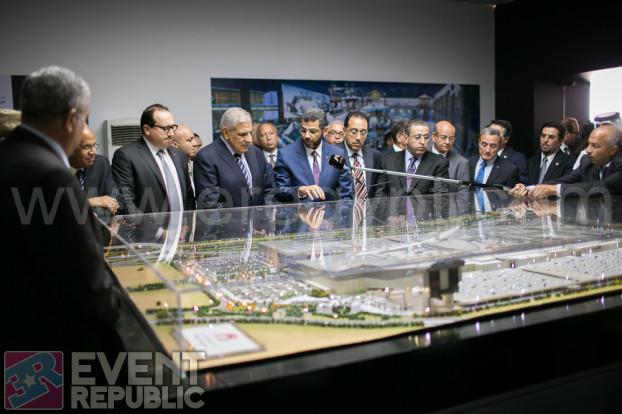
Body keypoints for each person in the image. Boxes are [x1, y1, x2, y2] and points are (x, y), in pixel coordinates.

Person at [0, 66, 121, 352]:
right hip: (54, 343)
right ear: (71, 119)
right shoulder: (52, 175)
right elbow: (87, 285)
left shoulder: (9, 154)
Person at [111, 103, 195, 214]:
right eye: (166, 128)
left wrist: (187, 221)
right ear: (147, 129)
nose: (171, 133)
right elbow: (125, 201)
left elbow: (188, 195)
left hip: (182, 224)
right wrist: (151, 226)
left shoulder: (179, 155)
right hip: (146, 224)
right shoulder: (126, 156)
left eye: (172, 127)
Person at [511, 124, 622, 198]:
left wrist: (553, 190)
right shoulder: (587, 161)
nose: (587, 150)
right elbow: (567, 180)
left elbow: (601, 187)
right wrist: (530, 188)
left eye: (595, 146)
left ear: (613, 150)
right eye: (588, 144)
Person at [193, 107, 274, 208]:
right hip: (228, 219)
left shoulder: (255, 152)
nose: (249, 139)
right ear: (226, 133)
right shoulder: (207, 158)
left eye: (250, 133)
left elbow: (269, 190)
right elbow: (210, 206)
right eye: (243, 134)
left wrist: (265, 214)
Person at [273, 108, 353, 202]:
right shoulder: (286, 155)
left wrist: (340, 211)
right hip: (299, 211)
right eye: (303, 131)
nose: (307, 136)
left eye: (312, 131)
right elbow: (279, 192)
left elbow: (345, 194)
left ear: (325, 131)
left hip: (330, 211)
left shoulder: (336, 154)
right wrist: (299, 191)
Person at [381, 119, 449, 196]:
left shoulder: (439, 163)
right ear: (406, 138)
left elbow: (440, 198)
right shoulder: (388, 160)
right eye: (417, 137)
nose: (423, 142)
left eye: (426, 137)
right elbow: (380, 193)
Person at [69, 126, 119, 216]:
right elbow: (56, 208)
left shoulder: (101, 163)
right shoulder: (55, 169)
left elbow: (114, 202)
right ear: (70, 148)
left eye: (94, 145)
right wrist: (91, 202)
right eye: (86, 147)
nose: (93, 152)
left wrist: (93, 213)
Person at [338, 111, 384, 199]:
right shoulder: (334, 154)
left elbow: (379, 188)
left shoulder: (375, 155)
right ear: (344, 131)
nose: (358, 138)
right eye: (353, 132)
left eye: (363, 133)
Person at [431, 120, 469, 191]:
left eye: (451, 138)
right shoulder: (421, 156)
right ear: (434, 137)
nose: (447, 142)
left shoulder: (461, 163)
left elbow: (464, 193)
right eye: (443, 137)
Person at [488, 119, 529, 183]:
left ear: (506, 139)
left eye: (496, 134)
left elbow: (521, 184)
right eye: (490, 132)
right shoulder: (479, 154)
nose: (491, 136)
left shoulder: (518, 159)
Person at [171, 124, 200, 195]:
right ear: (175, 145)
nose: (194, 144)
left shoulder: (191, 163)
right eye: (189, 140)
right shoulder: (172, 168)